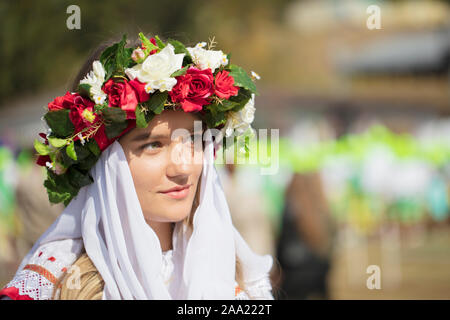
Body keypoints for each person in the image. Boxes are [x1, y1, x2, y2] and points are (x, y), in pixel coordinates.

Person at [0, 33, 273, 300]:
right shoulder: (55, 285)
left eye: (193, 140)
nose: (183, 168)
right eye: (153, 145)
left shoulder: (234, 281)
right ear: (102, 163)